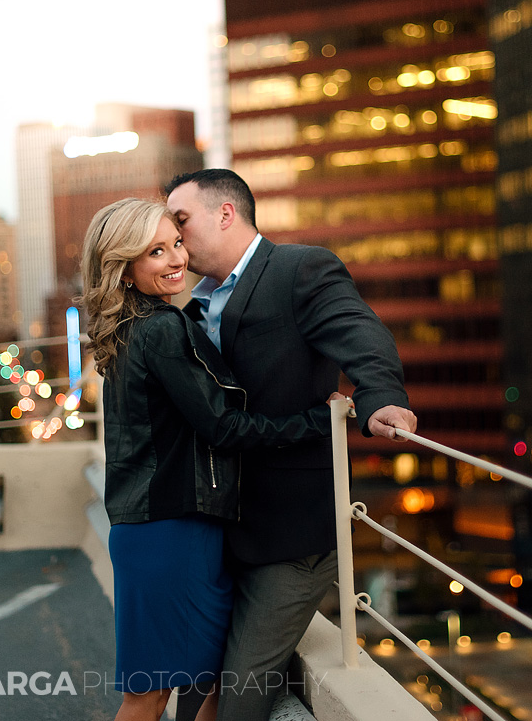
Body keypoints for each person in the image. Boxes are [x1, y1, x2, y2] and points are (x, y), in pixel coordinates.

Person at [165, 169, 417, 719]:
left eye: (181, 221)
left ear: (225, 213)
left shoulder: (300, 268)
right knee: (191, 688)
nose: (175, 237)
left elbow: (361, 333)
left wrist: (379, 397)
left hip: (292, 535)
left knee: (241, 696)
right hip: (221, 529)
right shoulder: (191, 306)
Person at [80, 197, 343, 721]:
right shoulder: (161, 329)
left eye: (176, 243)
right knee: (151, 695)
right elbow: (222, 426)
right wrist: (321, 421)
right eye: (155, 252)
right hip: (170, 531)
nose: (176, 258)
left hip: (161, 527)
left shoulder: (130, 328)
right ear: (124, 268)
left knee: (203, 684)